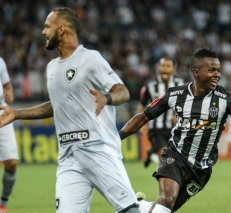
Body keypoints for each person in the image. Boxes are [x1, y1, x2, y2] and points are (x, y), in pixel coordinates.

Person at [0, 7, 140, 213]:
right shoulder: (52, 67)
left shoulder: (90, 58)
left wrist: (106, 98)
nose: (43, 31)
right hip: (68, 158)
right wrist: (17, 113)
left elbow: (122, 91)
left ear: (62, 30)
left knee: (129, 210)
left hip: (97, 149)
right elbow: (55, 105)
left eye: (47, 26)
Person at [118, 48, 231, 213]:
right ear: (196, 72)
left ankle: (139, 205)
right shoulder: (176, 95)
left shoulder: (226, 99)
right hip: (175, 156)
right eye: (212, 70)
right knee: (166, 200)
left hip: (202, 168)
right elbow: (144, 116)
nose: (217, 74)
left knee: (167, 207)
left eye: (218, 70)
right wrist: (116, 138)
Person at [138, 57, 184, 168]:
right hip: (156, 128)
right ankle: (166, 181)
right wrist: (142, 123)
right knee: (166, 159)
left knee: (175, 159)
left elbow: (185, 103)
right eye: (162, 66)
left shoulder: (181, 84)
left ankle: (152, 152)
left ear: (174, 69)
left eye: (168, 66)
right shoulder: (150, 85)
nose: (165, 69)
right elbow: (142, 104)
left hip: (175, 128)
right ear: (158, 68)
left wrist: (179, 115)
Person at [0, 57, 18, 213]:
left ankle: (3, 204)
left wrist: (9, 93)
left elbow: (7, 85)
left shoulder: (0, 62)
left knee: (11, 163)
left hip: (1, 111)